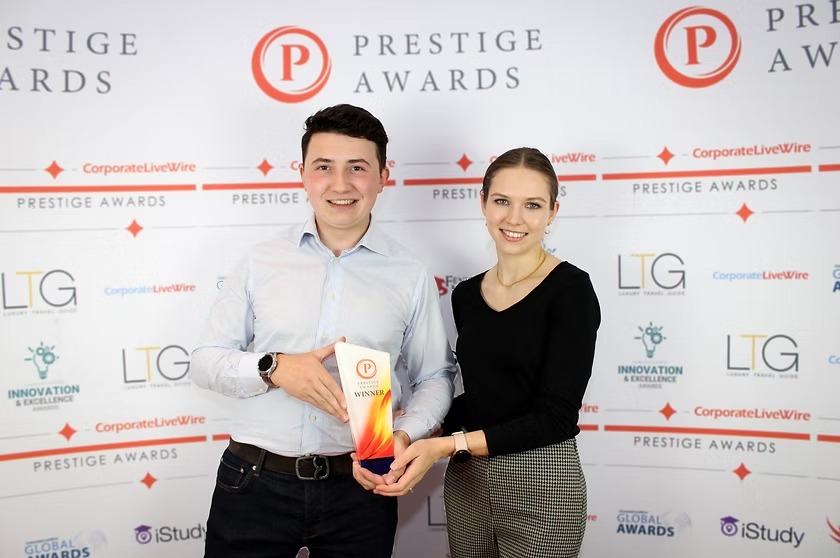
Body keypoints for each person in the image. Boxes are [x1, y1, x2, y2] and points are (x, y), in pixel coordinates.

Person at [190, 104, 456, 558]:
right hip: (253, 483)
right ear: (302, 174)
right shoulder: (260, 261)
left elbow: (435, 376)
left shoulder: (410, 274)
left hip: (361, 487)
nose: (340, 184)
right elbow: (204, 361)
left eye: (357, 168)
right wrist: (274, 368)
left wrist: (405, 435)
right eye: (324, 167)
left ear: (383, 176)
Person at [373, 147, 600, 558]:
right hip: (468, 484)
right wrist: (412, 428)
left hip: (543, 483)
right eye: (502, 201)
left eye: (532, 205)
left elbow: (555, 417)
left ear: (553, 212)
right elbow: (485, 397)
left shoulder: (571, 290)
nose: (514, 218)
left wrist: (446, 445)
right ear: (483, 203)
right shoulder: (466, 295)